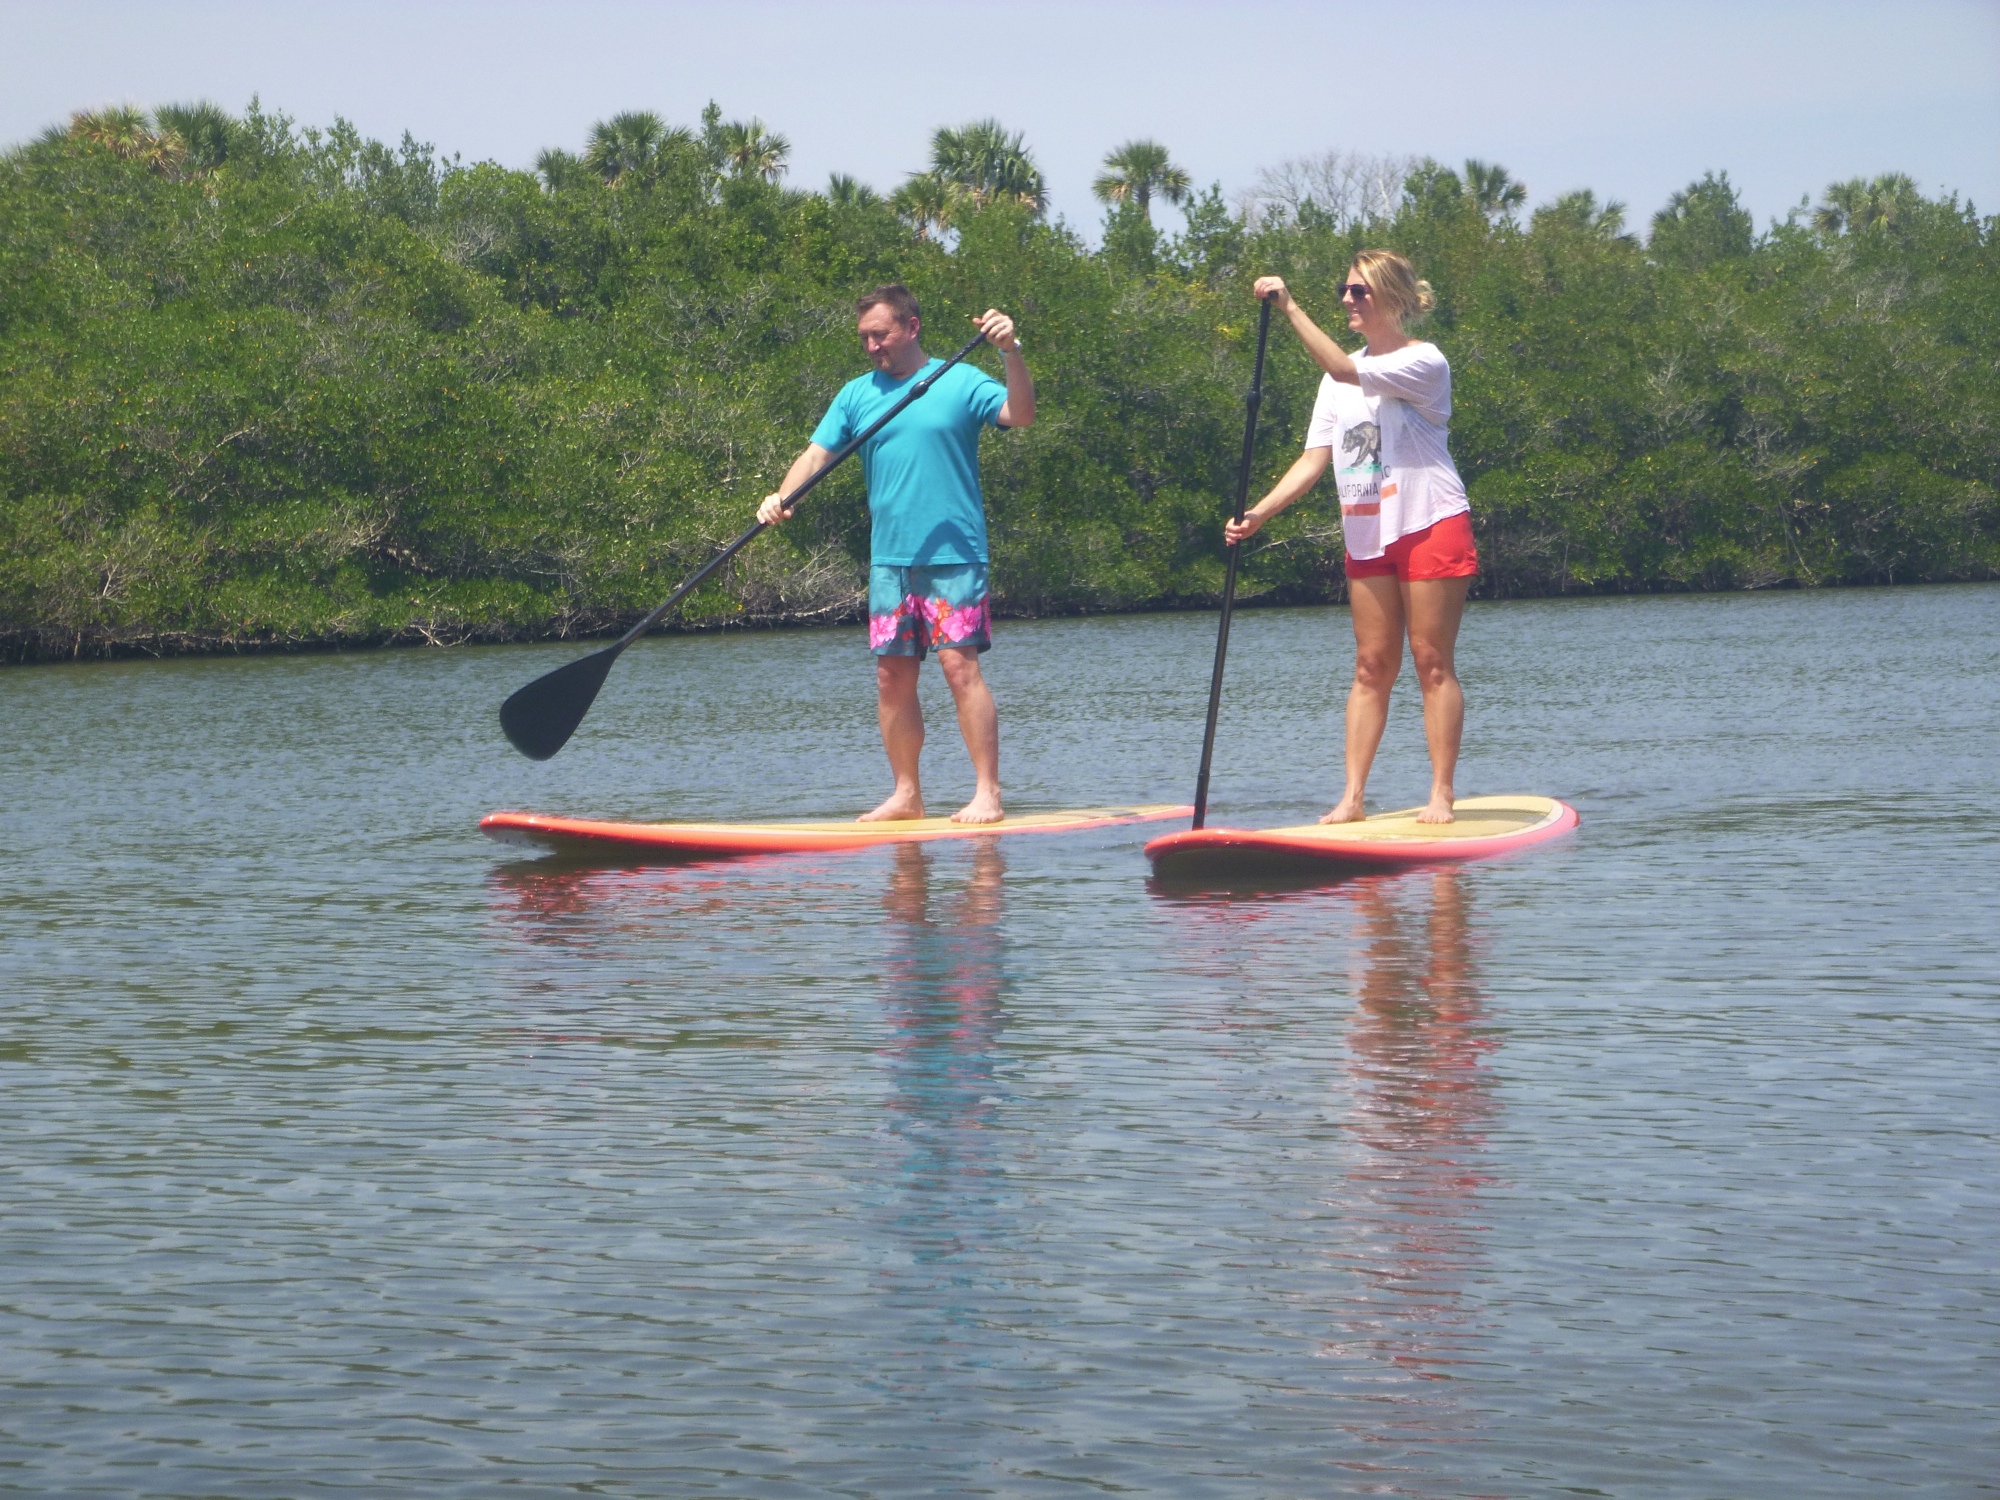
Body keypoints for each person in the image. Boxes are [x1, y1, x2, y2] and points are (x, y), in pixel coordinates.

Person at [758, 284, 1033, 823]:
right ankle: (907, 794)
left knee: (959, 668)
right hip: (889, 561)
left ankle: (988, 793)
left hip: (954, 555)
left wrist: (1011, 352)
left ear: (911, 327)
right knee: (892, 677)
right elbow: (815, 456)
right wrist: (780, 498)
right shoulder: (856, 394)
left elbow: (1019, 414)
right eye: (864, 337)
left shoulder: (959, 379)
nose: (871, 347)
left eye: (880, 335)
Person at [1224, 251, 1477, 825]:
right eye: (1344, 290)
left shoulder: (1424, 361)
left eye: (1358, 291)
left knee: (1431, 661)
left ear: (1392, 296)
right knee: (1370, 666)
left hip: (1430, 520)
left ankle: (1441, 793)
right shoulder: (1335, 379)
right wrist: (1259, 513)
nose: (1347, 299)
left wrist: (1290, 307)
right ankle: (1353, 798)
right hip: (1367, 530)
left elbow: (1343, 369)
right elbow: (1314, 459)